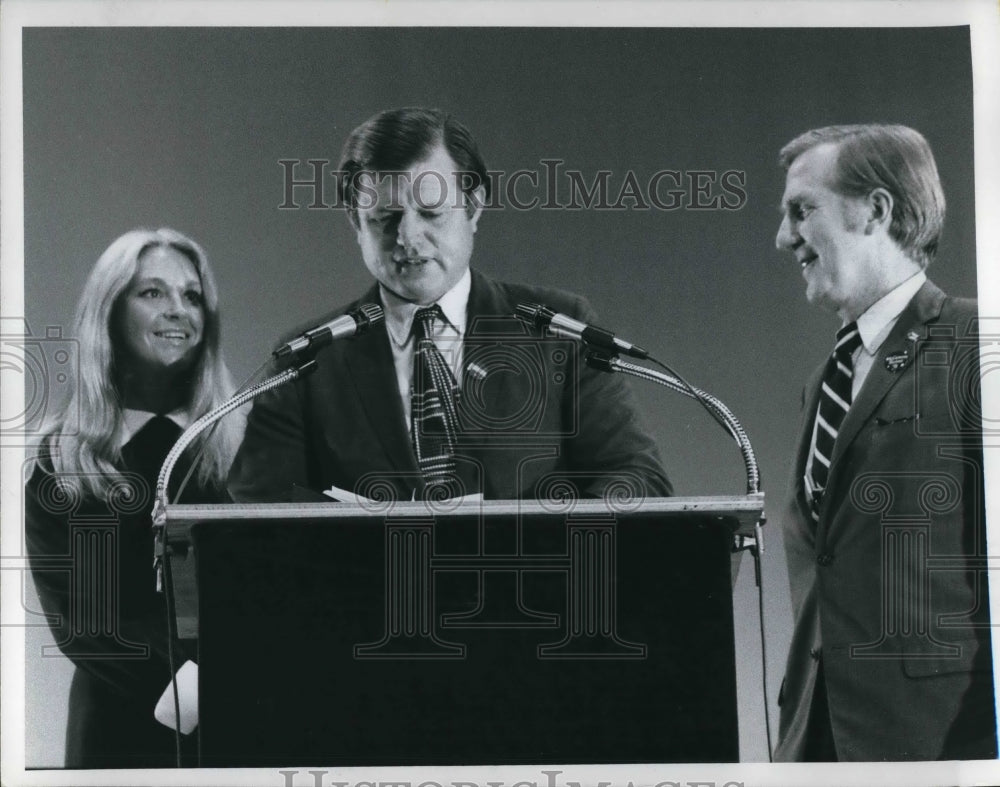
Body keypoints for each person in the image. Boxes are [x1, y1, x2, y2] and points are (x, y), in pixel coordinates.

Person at [229, 107, 670, 504]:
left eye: (431, 213)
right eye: (385, 218)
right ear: (355, 221)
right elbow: (257, 503)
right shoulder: (308, 356)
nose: (408, 238)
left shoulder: (560, 329)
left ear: (473, 208)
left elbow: (635, 477)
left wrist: (541, 544)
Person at [773, 124, 995, 761]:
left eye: (801, 210)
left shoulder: (975, 342)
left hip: (942, 743)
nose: (784, 238)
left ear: (876, 210)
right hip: (818, 739)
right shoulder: (826, 381)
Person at [25, 228, 243, 768]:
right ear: (110, 311)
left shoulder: (248, 445)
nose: (178, 311)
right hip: (120, 729)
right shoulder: (63, 458)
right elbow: (87, 623)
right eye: (153, 293)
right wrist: (201, 686)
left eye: (192, 296)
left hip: (249, 722)